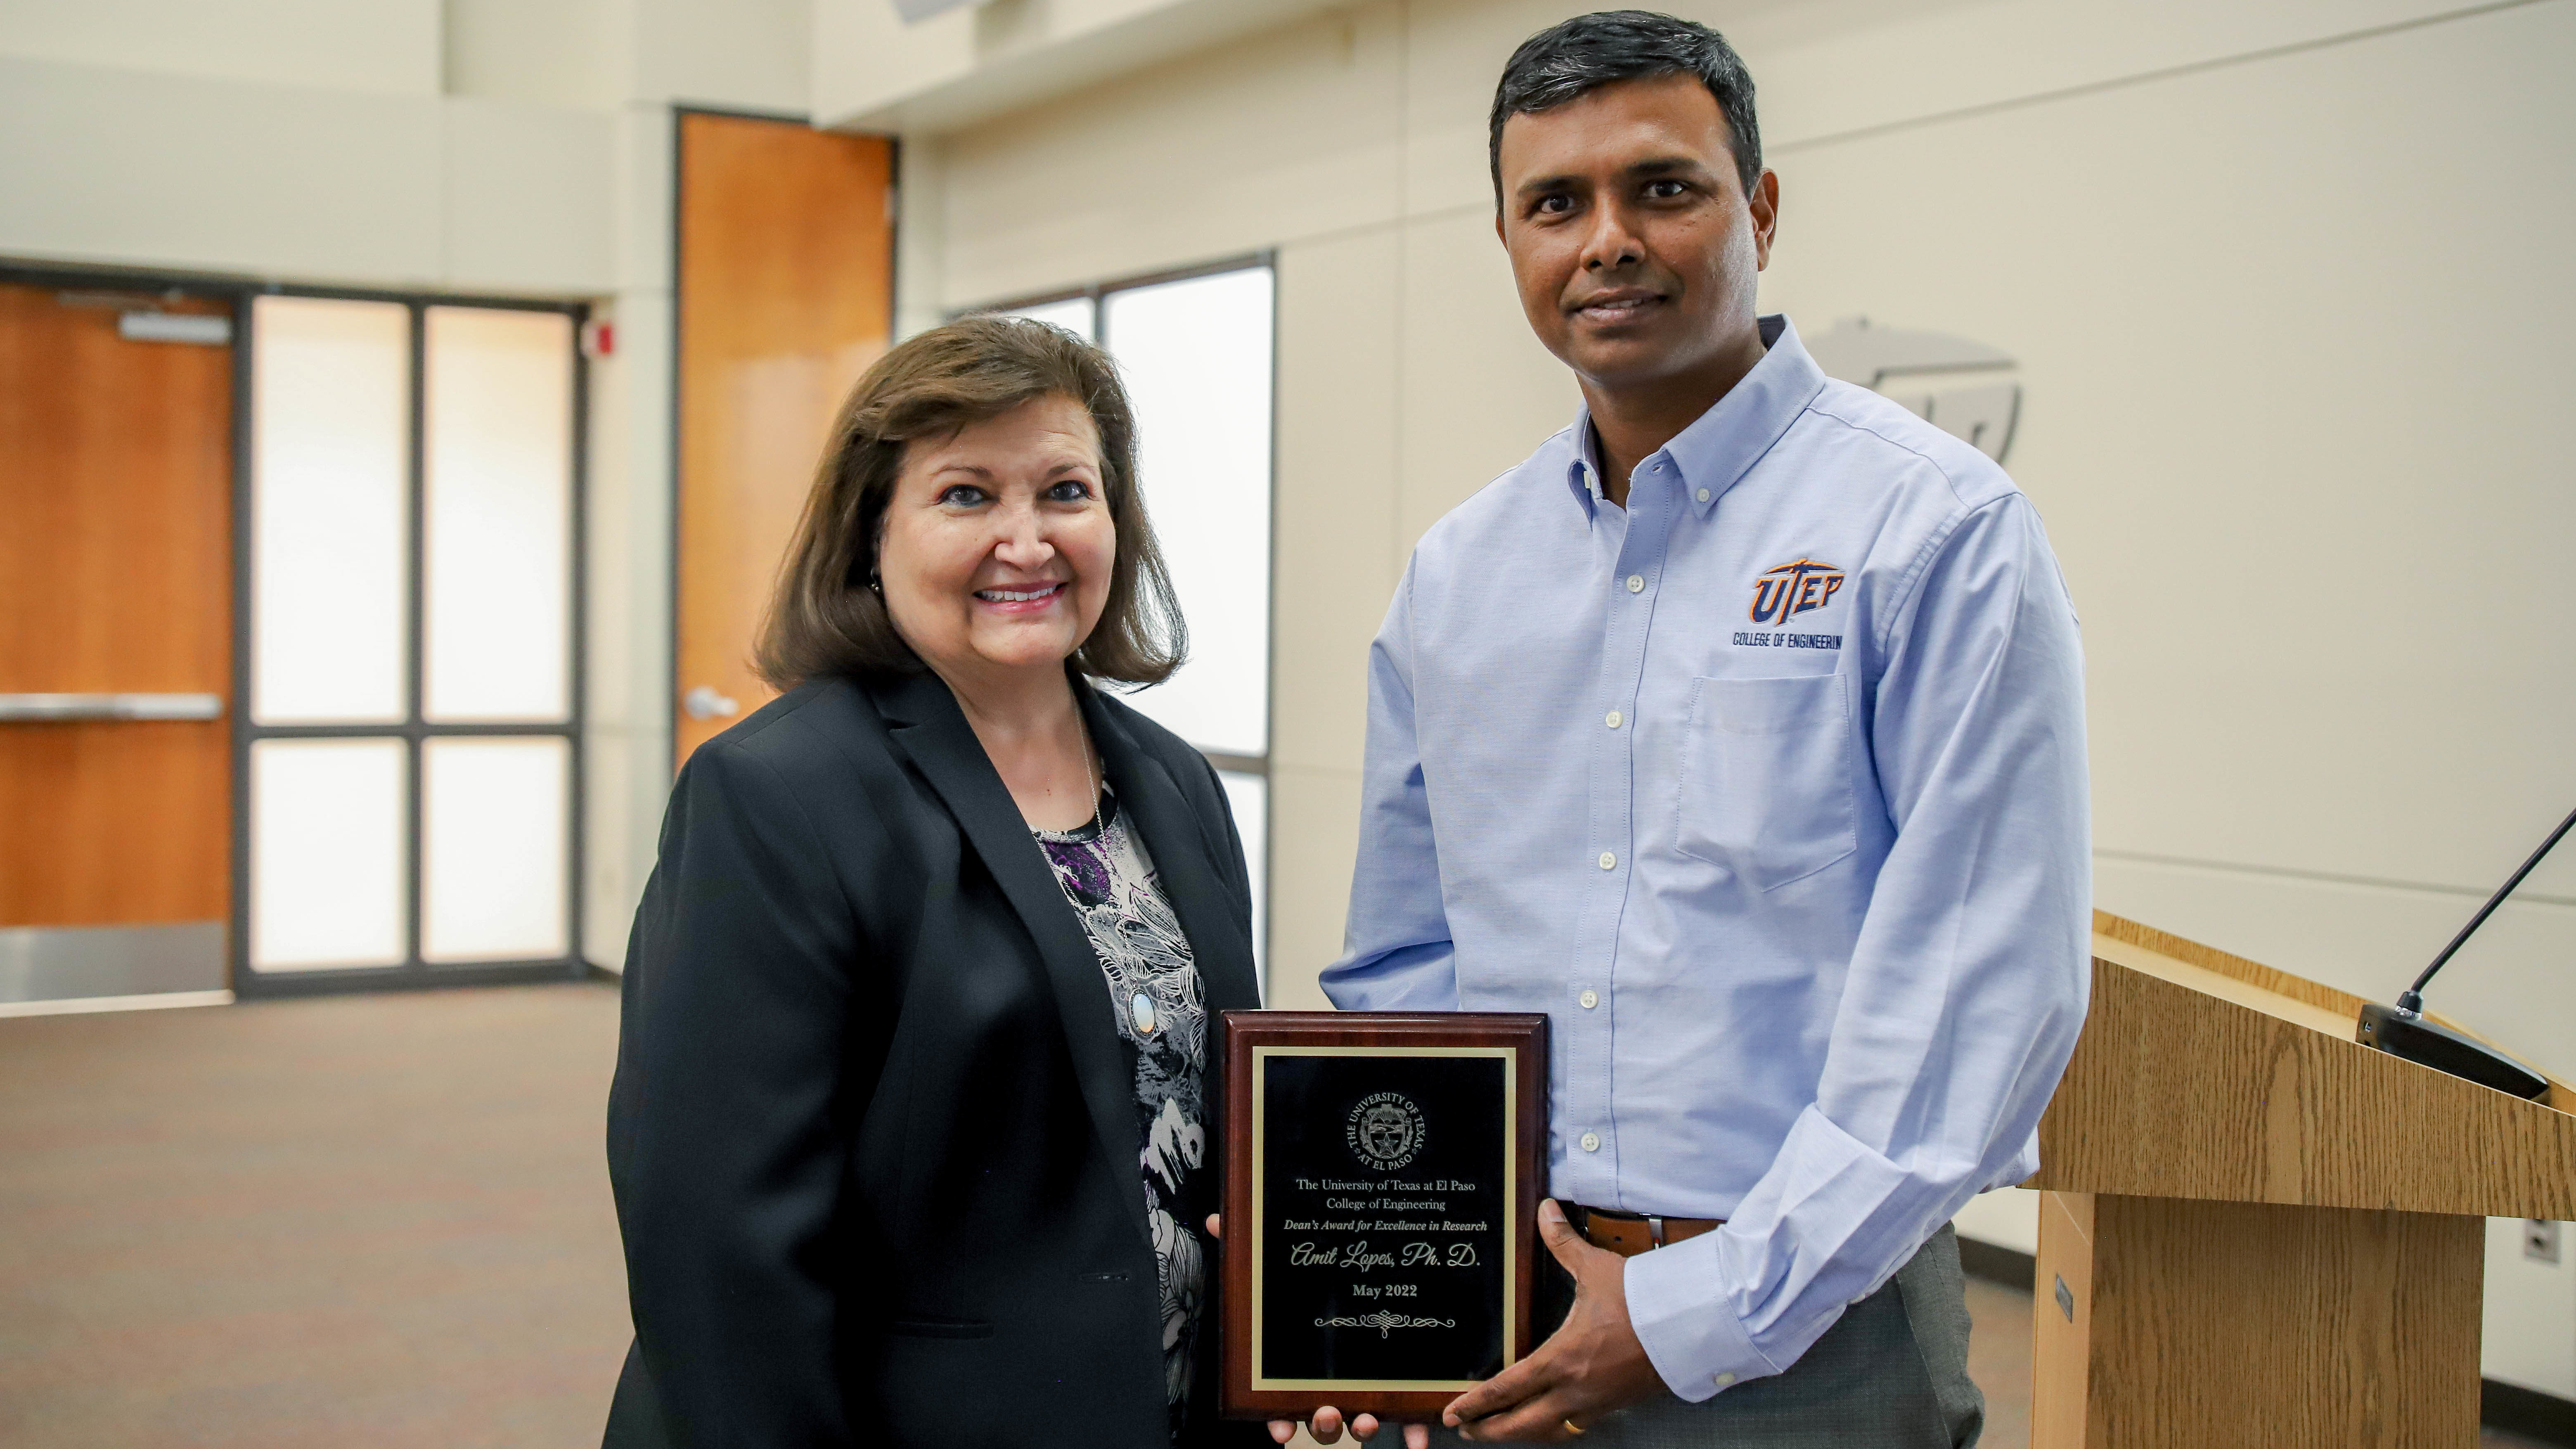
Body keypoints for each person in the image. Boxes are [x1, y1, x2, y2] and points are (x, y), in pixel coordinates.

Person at [1307, 11, 2091, 1446]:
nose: (1606, 240)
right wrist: (1401, 1283)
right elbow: (1408, 964)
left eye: (1663, 188)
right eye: (1556, 203)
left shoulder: (1934, 532)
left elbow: (1978, 990)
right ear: (1509, 243)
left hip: (1819, 1333)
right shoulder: (1458, 579)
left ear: (1762, 213)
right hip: (1510, 1316)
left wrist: (1697, 1313)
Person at [602, 317, 1269, 1449]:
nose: (1028, 540)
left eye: (1066, 491)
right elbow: (718, 1246)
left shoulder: (1173, 782)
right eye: (967, 496)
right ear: (874, 535)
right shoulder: (775, 797)